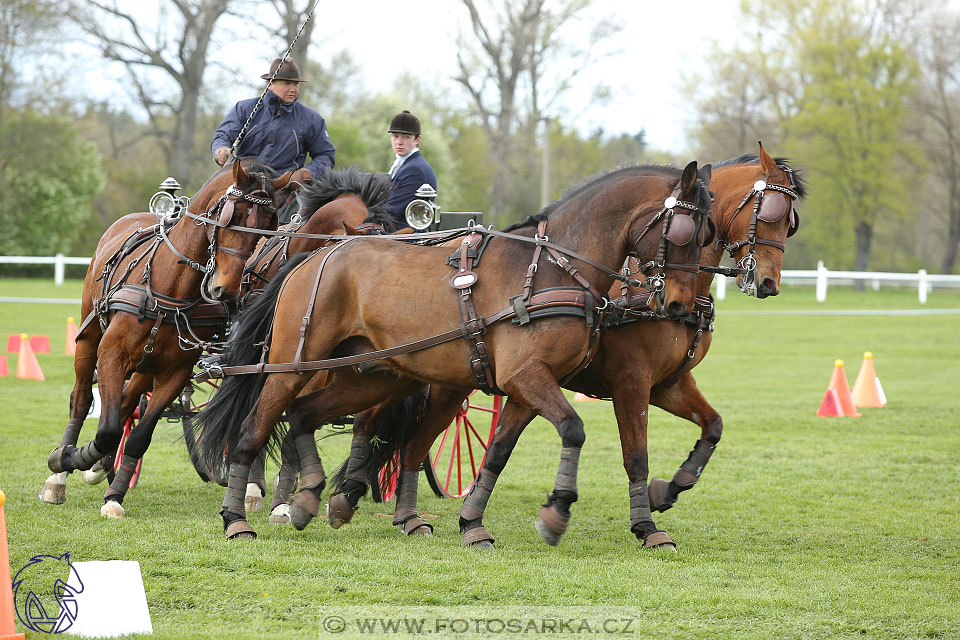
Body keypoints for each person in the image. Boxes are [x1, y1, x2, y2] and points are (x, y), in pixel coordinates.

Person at [211, 56, 335, 181]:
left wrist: (306, 173)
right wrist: (220, 150)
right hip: (243, 182)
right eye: (287, 83)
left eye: (296, 84)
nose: (293, 89)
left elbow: (326, 155)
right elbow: (223, 135)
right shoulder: (244, 109)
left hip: (286, 188)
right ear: (269, 84)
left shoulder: (312, 119)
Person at [385, 110, 437, 225]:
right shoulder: (405, 164)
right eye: (395, 136)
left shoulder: (415, 169)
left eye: (406, 137)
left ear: (417, 139)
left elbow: (393, 210)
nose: (399, 142)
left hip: (405, 237)